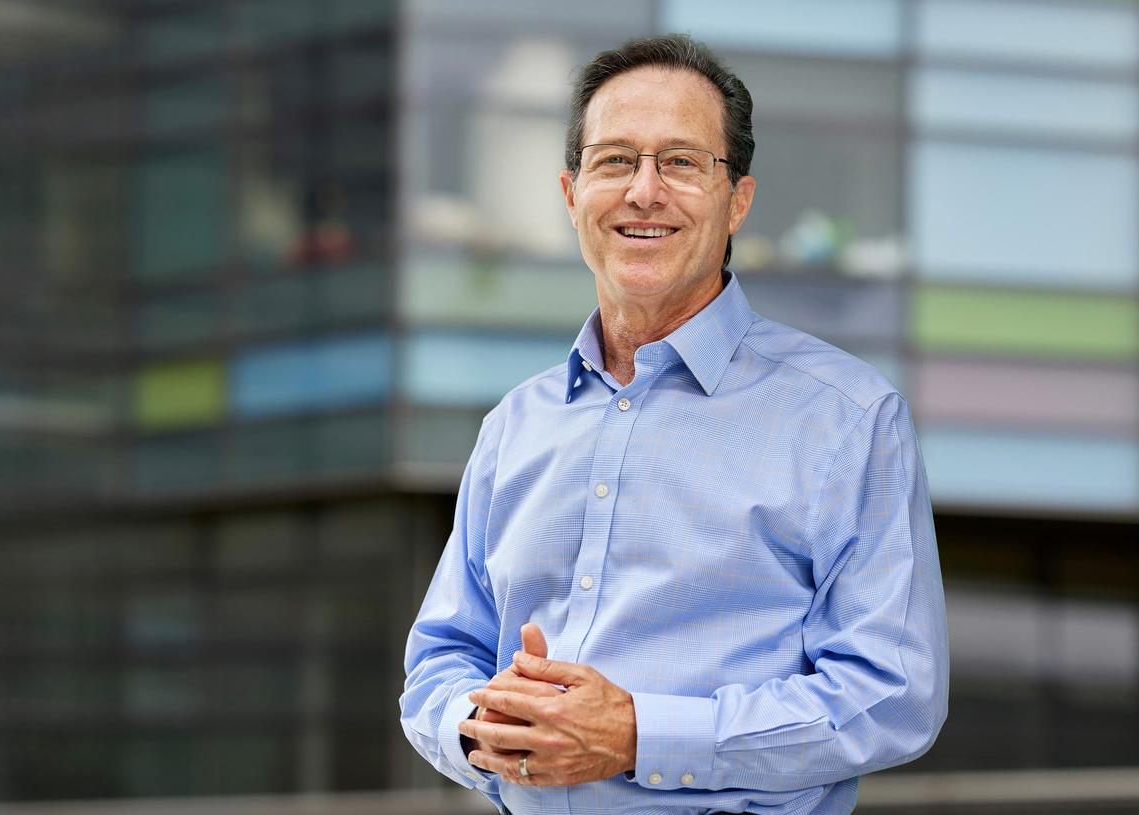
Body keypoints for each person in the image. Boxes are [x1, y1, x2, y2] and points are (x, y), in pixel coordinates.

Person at [399, 34, 948, 815]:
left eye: (682, 162)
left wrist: (638, 734)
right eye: (615, 160)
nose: (644, 191)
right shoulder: (515, 425)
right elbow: (441, 657)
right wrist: (480, 726)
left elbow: (891, 695)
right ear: (571, 192)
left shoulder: (848, 420)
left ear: (739, 200)